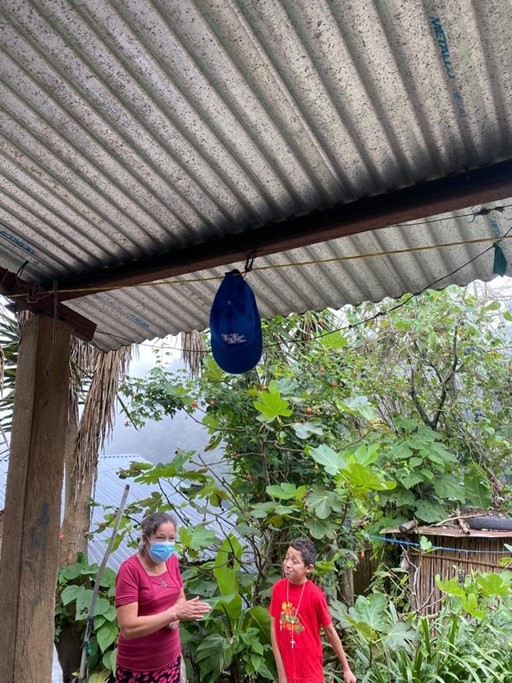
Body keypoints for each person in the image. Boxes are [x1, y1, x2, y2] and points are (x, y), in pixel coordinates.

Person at [114, 511, 211, 682]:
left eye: (171, 538)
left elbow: (179, 598)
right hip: (139, 667)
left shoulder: (172, 561)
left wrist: (178, 614)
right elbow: (128, 628)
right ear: (145, 539)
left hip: (171, 659)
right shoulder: (130, 570)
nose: (167, 544)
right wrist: (172, 614)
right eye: (160, 538)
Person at [269, 538, 356, 683]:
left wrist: (346, 668)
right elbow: (273, 628)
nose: (287, 564)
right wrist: (281, 673)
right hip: (286, 672)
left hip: (310, 673)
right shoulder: (278, 589)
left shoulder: (315, 595)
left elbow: (330, 631)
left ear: (308, 568)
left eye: (294, 561)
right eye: (286, 558)